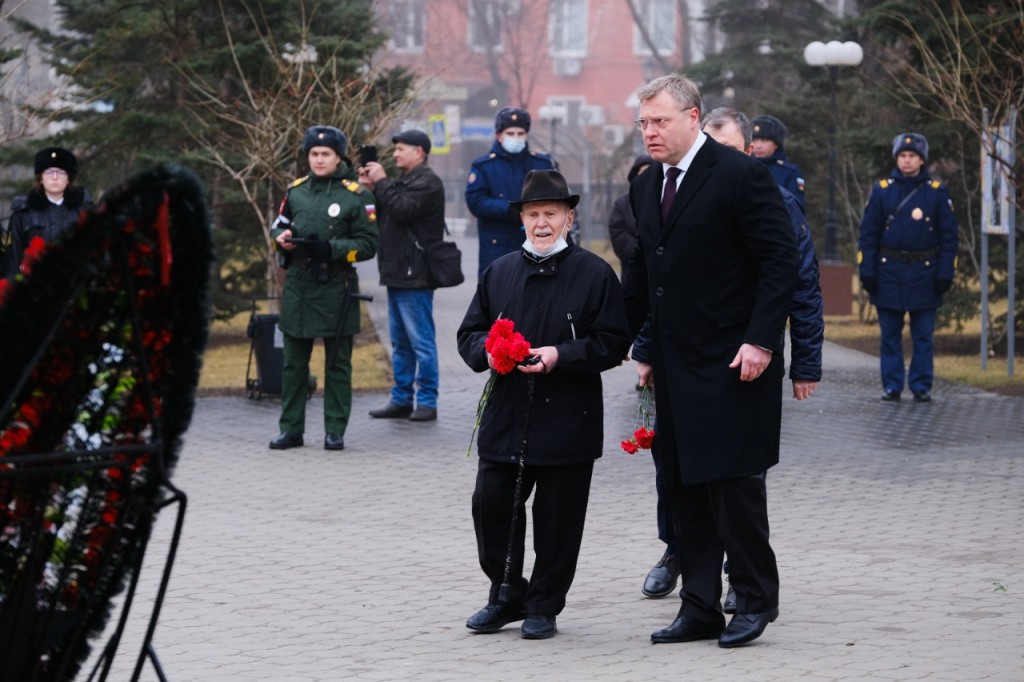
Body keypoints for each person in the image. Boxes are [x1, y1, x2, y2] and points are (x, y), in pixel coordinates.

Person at [621, 74, 797, 648]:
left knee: (733, 487)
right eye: (643, 122)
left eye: (659, 121)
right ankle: (698, 607)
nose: (649, 131)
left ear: (692, 117)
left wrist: (762, 341)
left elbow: (778, 262)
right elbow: (649, 279)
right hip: (674, 365)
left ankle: (753, 600)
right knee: (682, 487)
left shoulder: (740, 174)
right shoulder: (646, 188)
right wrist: (637, 347)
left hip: (734, 360)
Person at [457, 169, 632, 640]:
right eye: (533, 214)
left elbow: (614, 342)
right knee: (491, 507)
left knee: (557, 521)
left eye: (550, 214)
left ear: (569, 218)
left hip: (566, 417)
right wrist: (486, 353)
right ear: (521, 219)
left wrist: (560, 355)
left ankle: (544, 604)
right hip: (507, 414)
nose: (541, 223)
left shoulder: (595, 273)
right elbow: (469, 332)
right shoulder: (500, 271)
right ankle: (507, 592)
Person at [268, 125, 378, 451]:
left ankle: (335, 429)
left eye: (325, 154)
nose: (318, 160)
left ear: (338, 156)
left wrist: (332, 249)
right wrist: (281, 239)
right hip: (300, 285)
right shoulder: (297, 190)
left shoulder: (357, 196)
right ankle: (290, 429)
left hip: (335, 285)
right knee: (292, 364)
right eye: (313, 154)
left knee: (337, 364)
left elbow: (369, 245)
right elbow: (280, 223)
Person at [858, 132, 958, 403]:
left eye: (912, 156)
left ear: (922, 160)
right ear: (896, 158)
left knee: (923, 336)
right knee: (890, 336)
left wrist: (945, 271)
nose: (907, 161)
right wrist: (866, 270)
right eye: (903, 155)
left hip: (925, 271)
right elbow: (868, 235)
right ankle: (891, 386)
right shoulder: (882, 190)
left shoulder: (936, 193)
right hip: (888, 270)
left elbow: (949, 238)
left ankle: (921, 385)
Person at [359, 129, 444, 422]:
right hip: (396, 272)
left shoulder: (428, 182)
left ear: (418, 151)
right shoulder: (402, 182)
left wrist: (381, 181)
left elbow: (403, 209)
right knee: (400, 342)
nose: (394, 154)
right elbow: (382, 212)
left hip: (416, 275)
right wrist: (369, 189)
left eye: (400, 149)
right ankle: (401, 398)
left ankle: (428, 401)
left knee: (421, 340)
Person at [465, 107, 557, 277]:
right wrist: (509, 209)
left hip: (536, 243)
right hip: (496, 246)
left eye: (520, 133)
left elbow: (556, 201)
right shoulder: (484, 166)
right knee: (497, 297)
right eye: (510, 133)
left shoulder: (542, 164)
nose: (516, 138)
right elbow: (475, 202)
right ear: (499, 135)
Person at [3, 147, 94, 279]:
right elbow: (12, 261)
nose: (55, 177)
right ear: (41, 178)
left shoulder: (84, 211)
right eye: (49, 172)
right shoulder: (23, 214)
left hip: (75, 285)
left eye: (61, 172)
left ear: (68, 178)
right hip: (33, 287)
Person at [607, 155, 653, 275]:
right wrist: (644, 252)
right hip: (632, 271)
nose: (646, 175)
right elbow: (618, 234)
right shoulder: (622, 204)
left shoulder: (665, 200)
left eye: (651, 171)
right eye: (642, 172)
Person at [751, 114, 806, 212]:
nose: (758, 146)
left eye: (764, 140)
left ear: (776, 144)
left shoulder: (790, 172)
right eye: (754, 140)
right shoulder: (744, 166)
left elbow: (796, 207)